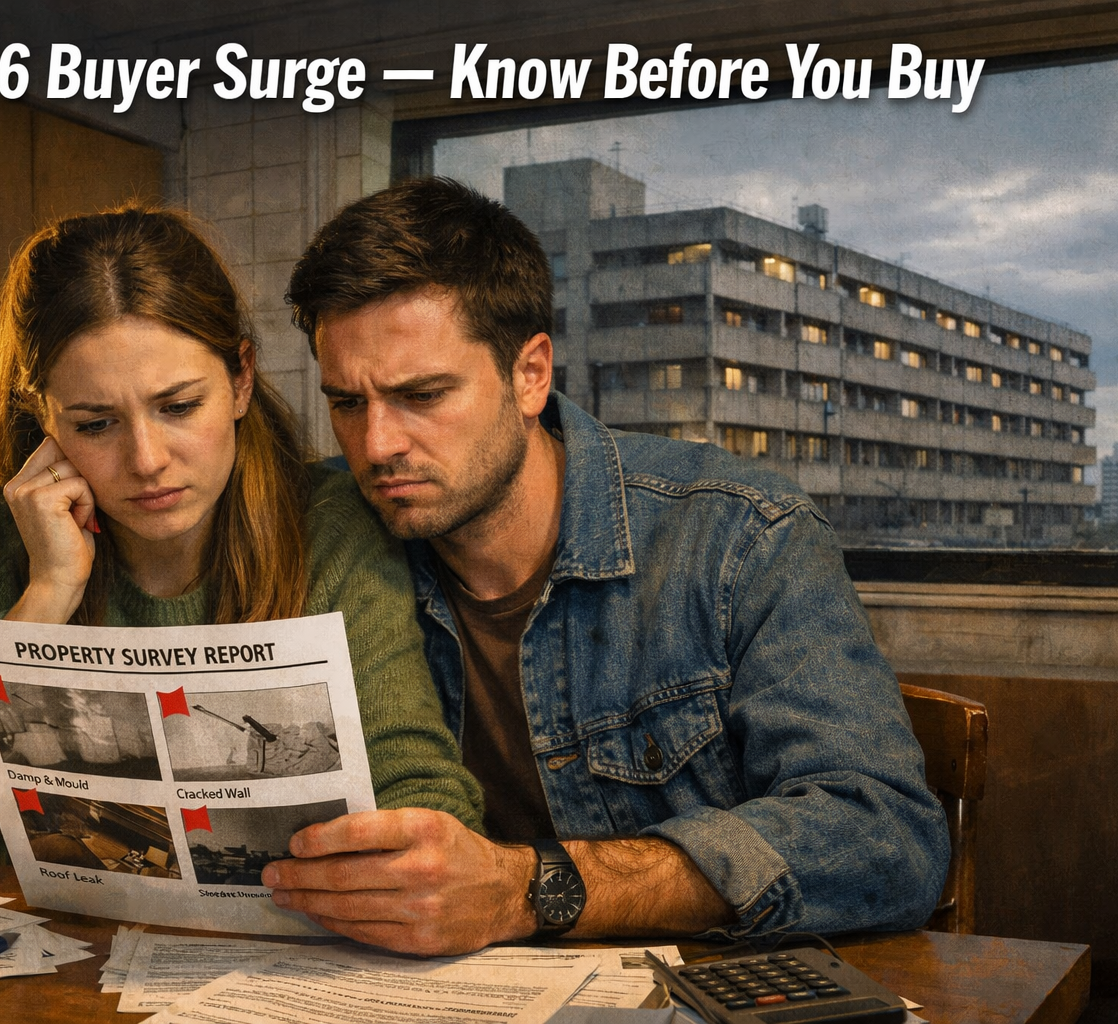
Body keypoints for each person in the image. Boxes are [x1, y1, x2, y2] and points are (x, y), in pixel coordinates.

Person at [263, 178, 950, 955]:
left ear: (530, 374)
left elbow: (887, 839)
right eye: (347, 404)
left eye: (422, 394)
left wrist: (529, 891)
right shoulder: (328, 528)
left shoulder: (737, 534)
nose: (378, 444)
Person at [0, 207, 482, 881]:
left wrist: (409, 867)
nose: (146, 460)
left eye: (177, 408)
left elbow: (419, 791)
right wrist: (40, 605)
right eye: (95, 423)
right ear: (42, 414)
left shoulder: (330, 525)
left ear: (239, 380)